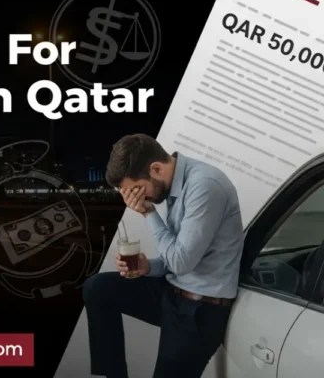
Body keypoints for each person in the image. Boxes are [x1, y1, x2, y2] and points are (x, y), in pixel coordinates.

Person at [83, 133, 245, 378]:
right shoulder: (172, 186)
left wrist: (149, 213)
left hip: (199, 311)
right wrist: (147, 267)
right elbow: (176, 259)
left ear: (156, 168)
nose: (138, 200)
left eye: (137, 191)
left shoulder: (204, 186)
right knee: (98, 288)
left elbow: (180, 262)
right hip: (173, 293)